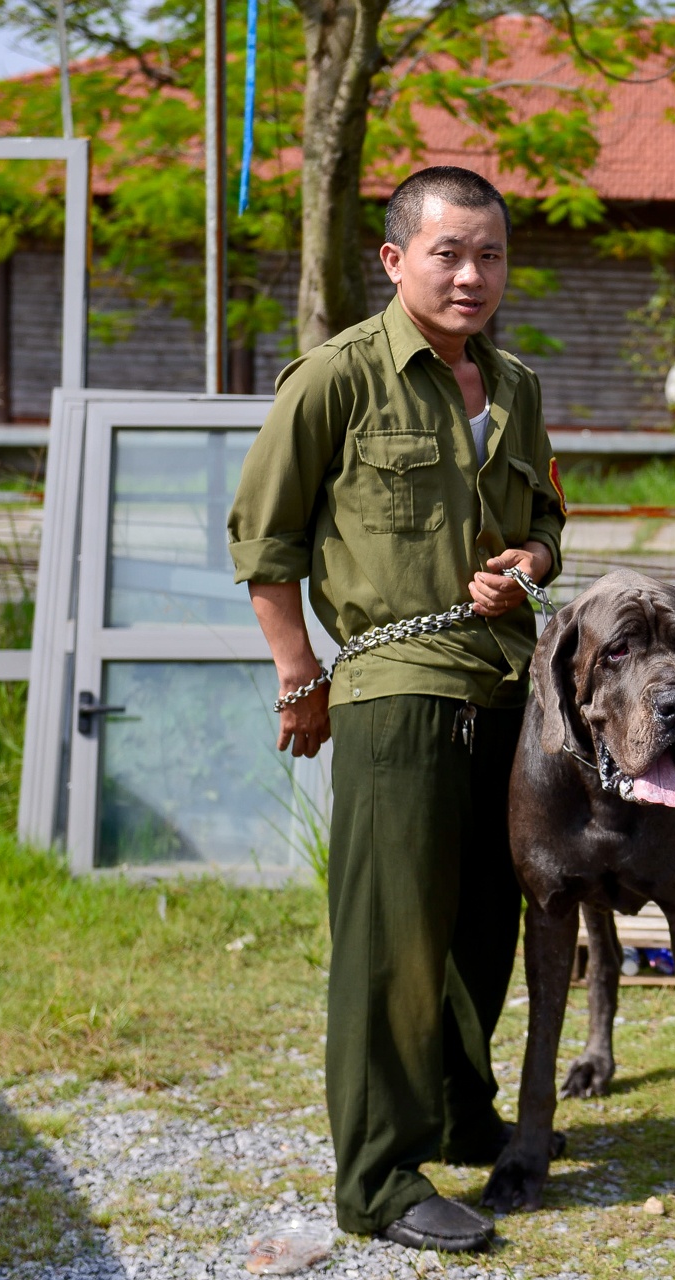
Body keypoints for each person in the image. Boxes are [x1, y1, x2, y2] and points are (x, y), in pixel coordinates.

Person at [228, 166, 565, 1254]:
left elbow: (550, 516)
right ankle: (375, 1176)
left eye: (492, 256)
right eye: (448, 254)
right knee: (391, 938)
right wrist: (298, 672)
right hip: (394, 689)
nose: (472, 276)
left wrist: (532, 560)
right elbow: (265, 542)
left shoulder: (515, 383)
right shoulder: (338, 379)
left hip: (504, 688)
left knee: (481, 922)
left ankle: (461, 1113)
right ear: (395, 260)